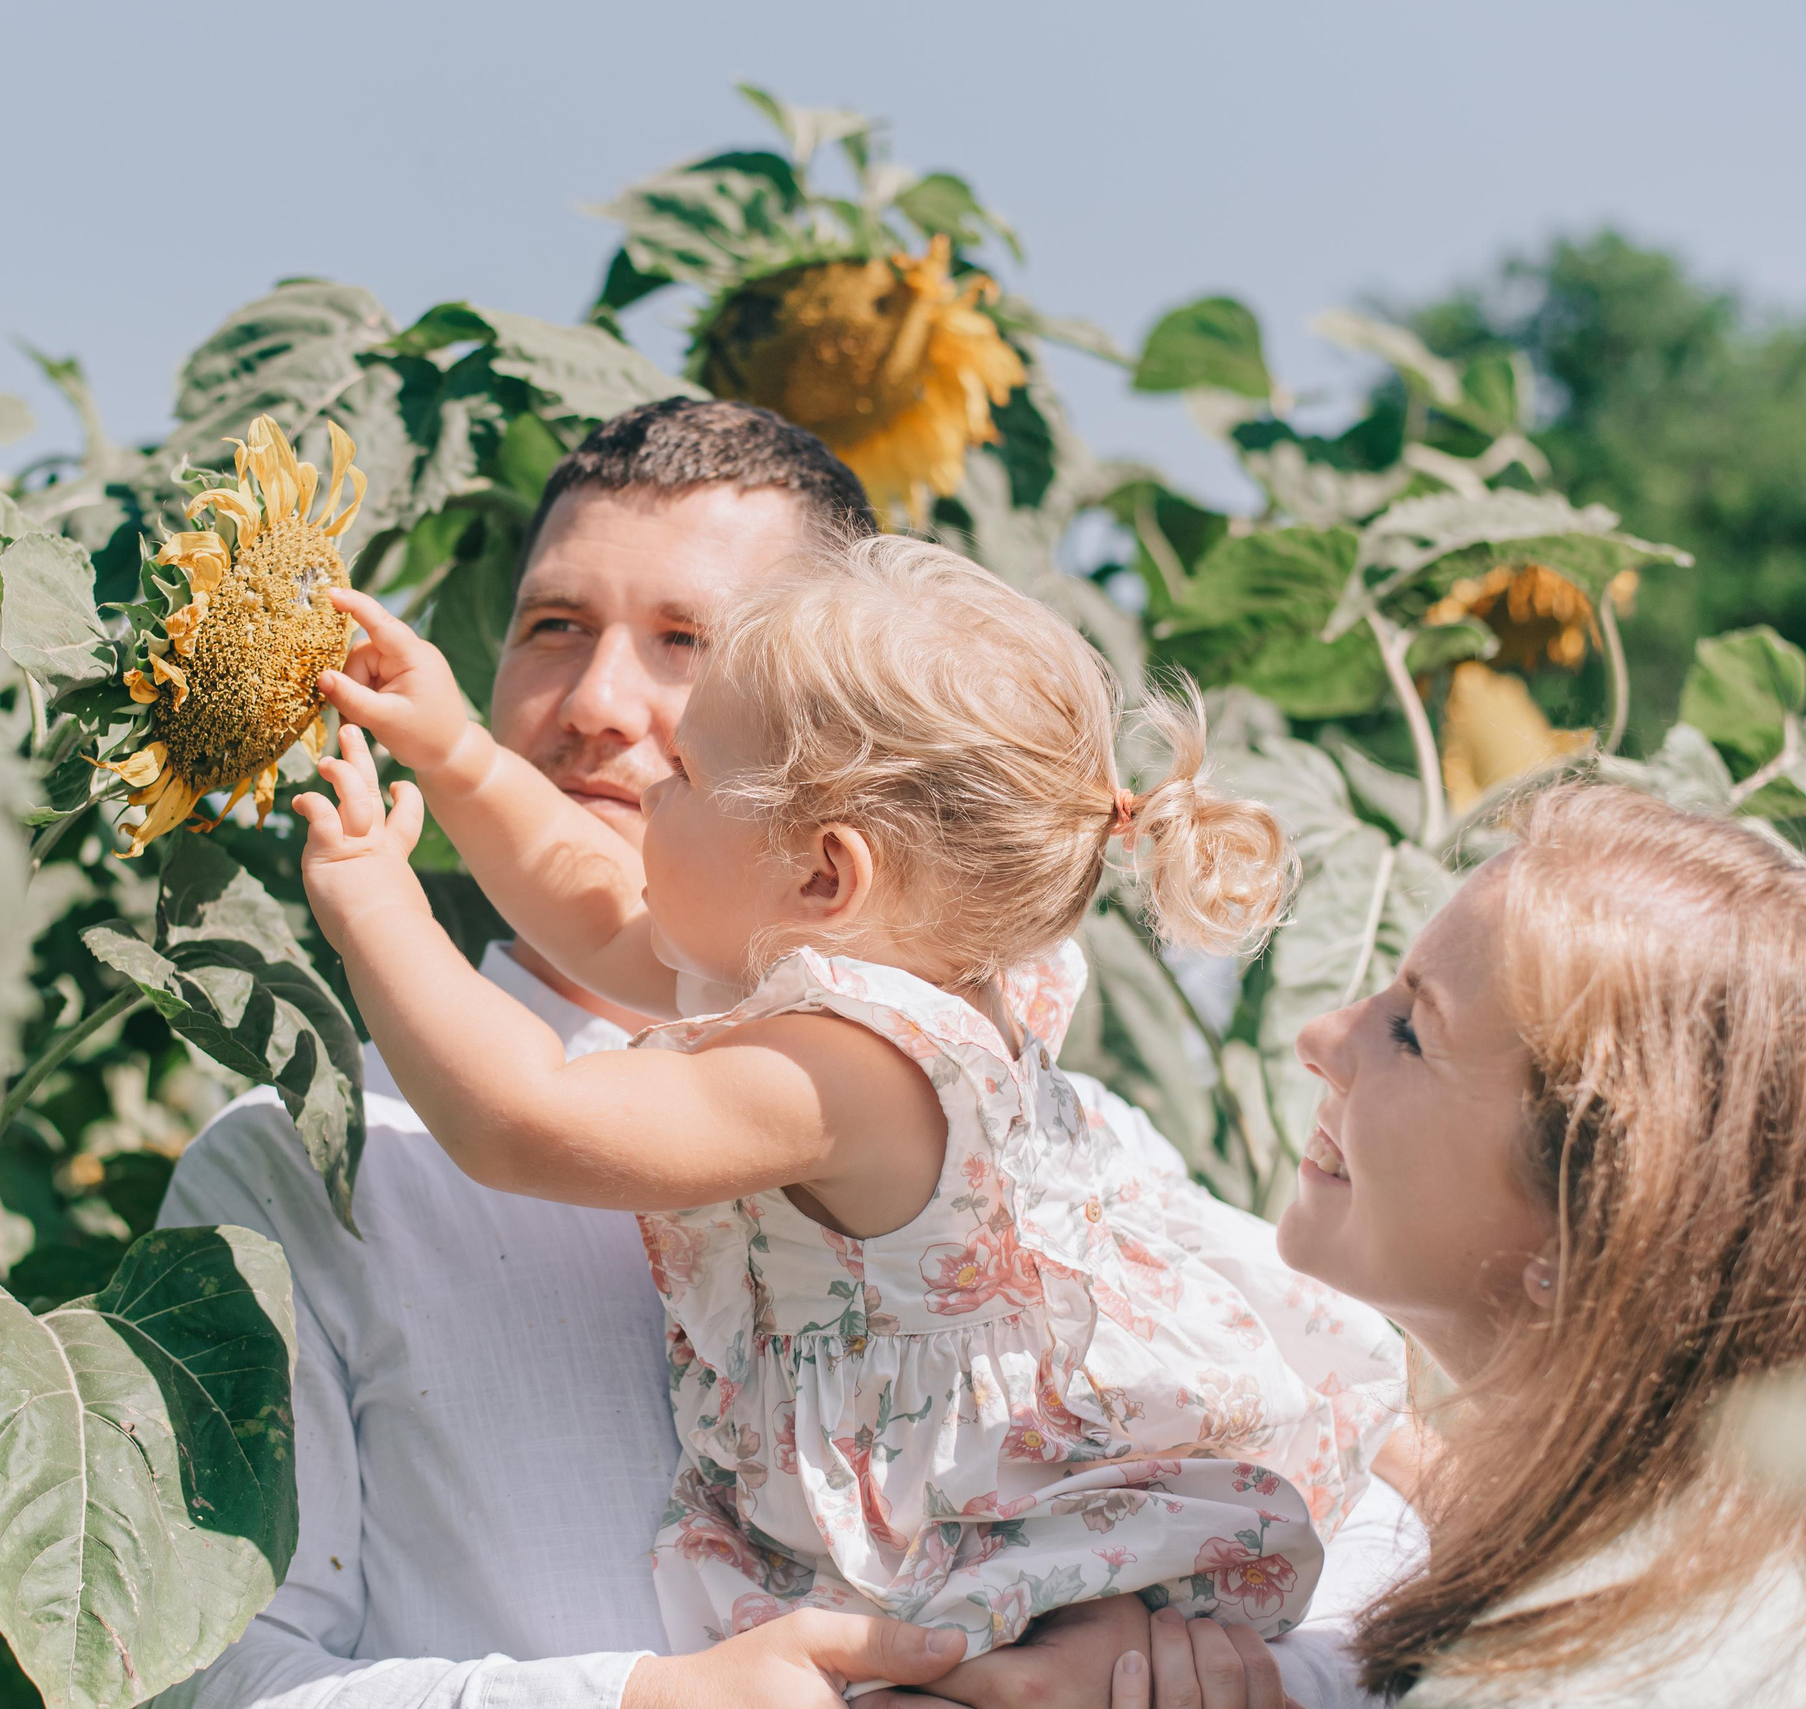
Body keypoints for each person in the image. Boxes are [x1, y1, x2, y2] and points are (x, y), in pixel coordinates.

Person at [156, 400, 1408, 1709]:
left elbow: (526, 1115)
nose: (615, 731)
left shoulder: (868, 1066)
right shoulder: (827, 970)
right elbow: (598, 896)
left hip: (977, 1559)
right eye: (553, 627)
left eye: (691, 680)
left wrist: (373, 903)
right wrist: (458, 752)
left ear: (824, 870)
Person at [1252, 784, 1806, 1705]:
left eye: (1413, 1034)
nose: (1320, 1035)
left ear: (1598, 1230)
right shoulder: (1713, 1572)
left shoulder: (1567, 1683)